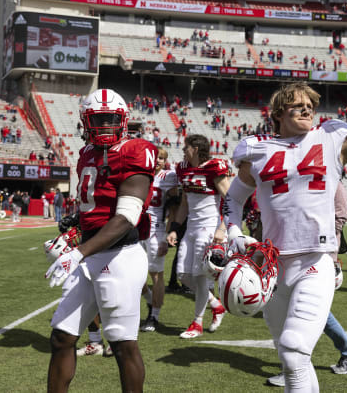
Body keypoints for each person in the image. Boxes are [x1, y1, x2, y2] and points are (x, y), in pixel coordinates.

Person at [222, 21, 347, 391]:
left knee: (293, 348)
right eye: (297, 107)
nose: (307, 111)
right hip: (271, 264)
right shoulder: (255, 149)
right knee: (290, 361)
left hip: (314, 261)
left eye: (309, 106)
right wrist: (235, 233)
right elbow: (234, 198)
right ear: (278, 114)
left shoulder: (331, 139)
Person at [45, 88, 157, 392]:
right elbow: (93, 207)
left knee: (122, 344)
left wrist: (78, 252)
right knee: (62, 336)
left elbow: (125, 218)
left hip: (119, 255)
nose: (105, 125)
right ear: (85, 121)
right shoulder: (86, 153)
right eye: (98, 119)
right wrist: (74, 229)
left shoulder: (136, 150)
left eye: (110, 119)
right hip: (90, 253)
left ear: (123, 120)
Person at [267, 183, 347, 387]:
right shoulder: (298, 173)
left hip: (318, 256)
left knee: (304, 311)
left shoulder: (332, 179)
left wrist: (320, 241)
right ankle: (344, 351)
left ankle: (345, 351)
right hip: (293, 256)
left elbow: (339, 216)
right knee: (301, 311)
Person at [166, 134, 230, 339]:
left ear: (196, 148)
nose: (183, 150)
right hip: (191, 226)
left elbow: (231, 200)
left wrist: (222, 228)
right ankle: (216, 305)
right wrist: (175, 228)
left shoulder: (214, 167)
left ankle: (197, 323)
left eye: (187, 147)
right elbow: (184, 203)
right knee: (184, 275)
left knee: (200, 276)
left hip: (209, 227)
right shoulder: (184, 168)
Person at [140, 147, 179, 332]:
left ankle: (153, 316)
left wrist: (166, 235)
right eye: (156, 158)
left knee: (156, 274)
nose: (158, 162)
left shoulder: (168, 177)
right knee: (134, 274)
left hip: (156, 229)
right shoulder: (140, 174)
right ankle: (149, 300)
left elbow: (173, 208)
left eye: (162, 159)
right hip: (136, 229)